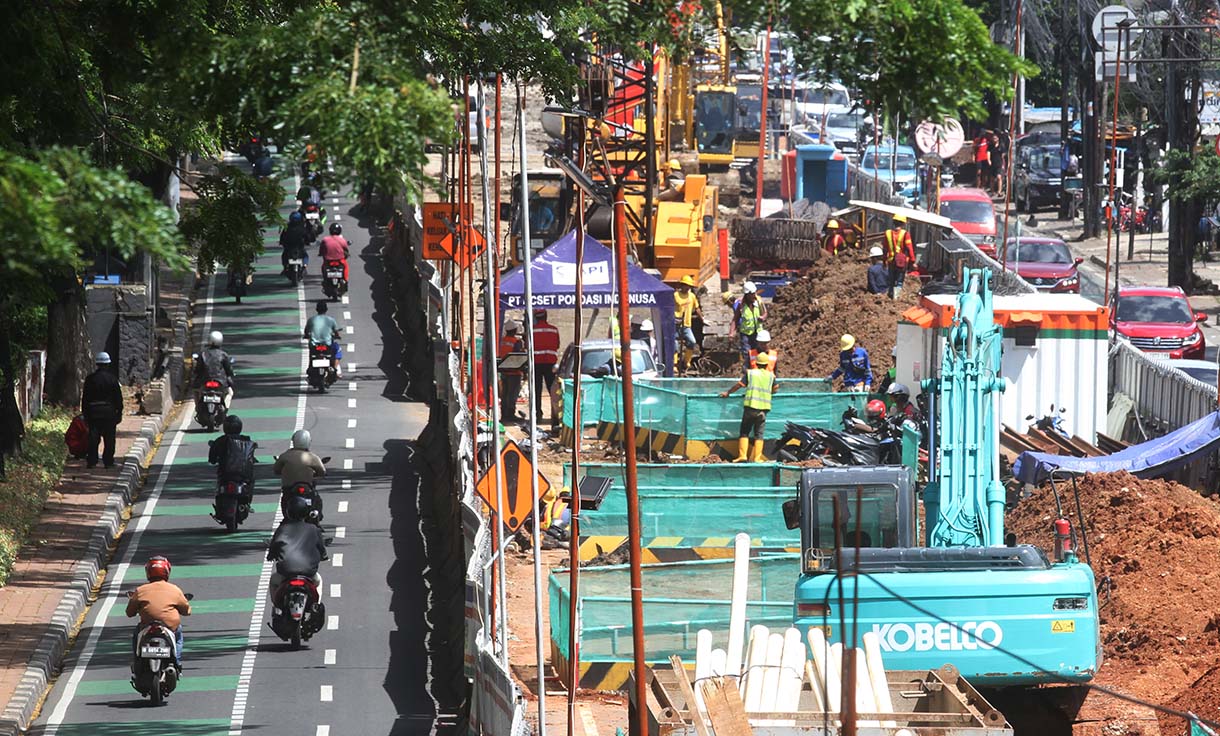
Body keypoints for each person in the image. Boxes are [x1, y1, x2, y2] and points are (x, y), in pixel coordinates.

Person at [126, 556, 191, 668]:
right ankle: (177, 661)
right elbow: (186, 611)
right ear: (167, 571)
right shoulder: (174, 589)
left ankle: (137, 660)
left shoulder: (140, 590)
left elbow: (129, 612)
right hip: (170, 626)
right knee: (178, 636)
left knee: (136, 634)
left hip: (146, 626)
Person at [266, 494, 327, 612]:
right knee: (318, 580)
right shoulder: (313, 528)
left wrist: (271, 555)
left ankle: (277, 607)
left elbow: (274, 546)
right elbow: (321, 548)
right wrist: (324, 556)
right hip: (308, 573)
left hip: (286, 572)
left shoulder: (282, 529)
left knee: (274, 580)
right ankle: (316, 606)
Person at [720, 352, 778, 463]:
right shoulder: (771, 376)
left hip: (751, 408)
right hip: (763, 409)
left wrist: (728, 393)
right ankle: (757, 458)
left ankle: (742, 456)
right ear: (767, 364)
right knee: (759, 434)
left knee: (745, 431)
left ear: (755, 363)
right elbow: (775, 388)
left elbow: (739, 385)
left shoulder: (751, 374)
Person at [273, 429, 327, 522]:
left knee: (285, 500)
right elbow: (322, 471)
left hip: (289, 490)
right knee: (316, 498)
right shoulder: (312, 457)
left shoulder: (285, 456)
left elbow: (276, 470)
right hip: (306, 490)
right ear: (308, 442)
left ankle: (287, 517)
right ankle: (316, 518)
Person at [82, 352, 123, 468]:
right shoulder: (112, 379)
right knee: (109, 438)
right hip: (109, 413)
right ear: (108, 364)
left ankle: (92, 460)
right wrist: (119, 412)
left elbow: (85, 398)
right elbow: (118, 398)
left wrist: (85, 413)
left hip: (93, 412)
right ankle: (108, 461)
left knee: (93, 437)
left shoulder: (90, 379)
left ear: (97, 364)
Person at [208, 415, 257, 509]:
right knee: (251, 480)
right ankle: (248, 503)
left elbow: (212, 459)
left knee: (220, 483)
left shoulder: (221, 440)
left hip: (226, 475)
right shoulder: (247, 441)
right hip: (244, 475)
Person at [530, 310, 561, 426]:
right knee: (553, 391)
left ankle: (537, 415)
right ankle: (556, 416)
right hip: (550, 363)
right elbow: (557, 345)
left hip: (536, 363)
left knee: (536, 391)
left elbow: (528, 346)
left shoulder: (532, 330)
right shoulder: (553, 329)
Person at [732, 281, 767, 374]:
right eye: (752, 294)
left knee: (758, 353)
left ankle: (758, 371)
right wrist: (732, 332)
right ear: (747, 295)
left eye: (754, 293)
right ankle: (747, 372)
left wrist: (762, 318)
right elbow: (735, 319)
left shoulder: (759, 301)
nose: (754, 296)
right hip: (746, 334)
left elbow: (765, 313)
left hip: (758, 332)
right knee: (747, 354)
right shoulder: (741, 305)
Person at [195, 331, 235, 408]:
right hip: (220, 381)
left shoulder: (203, 354)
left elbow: (198, 369)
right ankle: (225, 409)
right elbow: (228, 369)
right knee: (230, 393)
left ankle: (197, 407)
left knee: (195, 390)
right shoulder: (223, 355)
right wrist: (230, 374)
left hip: (204, 380)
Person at [304, 301, 343, 377]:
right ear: (326, 309)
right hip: (327, 345)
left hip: (314, 346)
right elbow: (336, 331)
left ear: (316, 309)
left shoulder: (311, 320)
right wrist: (338, 336)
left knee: (312, 355)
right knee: (337, 349)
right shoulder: (331, 320)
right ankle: (335, 369)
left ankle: (310, 368)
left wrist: (306, 335)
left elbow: (306, 331)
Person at [497, 320, 525, 422]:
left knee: (505, 393)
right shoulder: (516, 342)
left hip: (504, 371)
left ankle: (504, 414)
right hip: (514, 372)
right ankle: (510, 414)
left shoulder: (502, 341)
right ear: (514, 330)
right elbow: (519, 356)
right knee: (512, 394)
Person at [674, 275, 702, 373]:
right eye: (686, 285)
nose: (687, 288)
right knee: (675, 345)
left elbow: (697, 308)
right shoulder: (675, 295)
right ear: (682, 285)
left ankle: (686, 361)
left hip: (686, 325)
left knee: (692, 341)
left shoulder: (692, 296)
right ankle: (674, 365)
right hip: (676, 324)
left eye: (689, 286)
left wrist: (702, 319)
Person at [883, 215, 915, 296]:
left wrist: (884, 261)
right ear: (903, 224)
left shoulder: (887, 233)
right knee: (899, 281)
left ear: (894, 222)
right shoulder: (905, 234)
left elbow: (885, 249)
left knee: (891, 281)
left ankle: (890, 296)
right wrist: (912, 261)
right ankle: (896, 297)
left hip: (891, 261)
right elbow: (909, 248)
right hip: (901, 262)